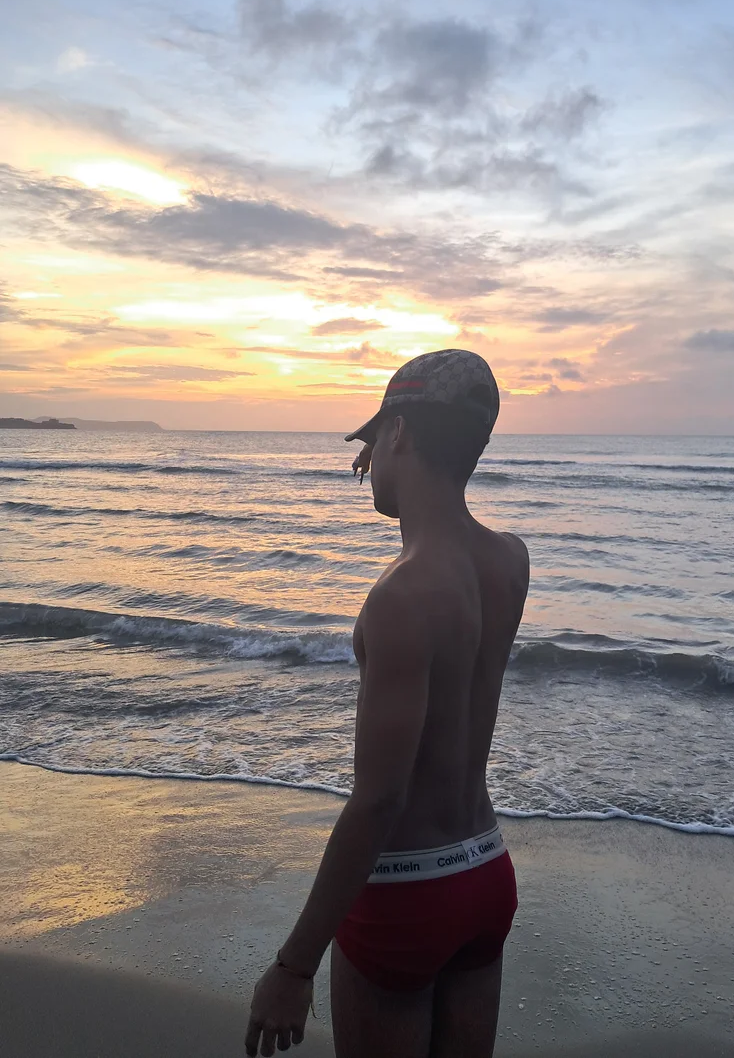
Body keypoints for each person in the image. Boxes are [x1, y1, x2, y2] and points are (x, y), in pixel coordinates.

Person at [245, 349, 530, 1058]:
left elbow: (379, 801)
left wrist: (294, 966)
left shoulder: (402, 595)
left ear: (399, 431)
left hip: (407, 891)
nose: (366, 457)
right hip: (484, 871)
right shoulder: (510, 561)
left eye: (374, 438)